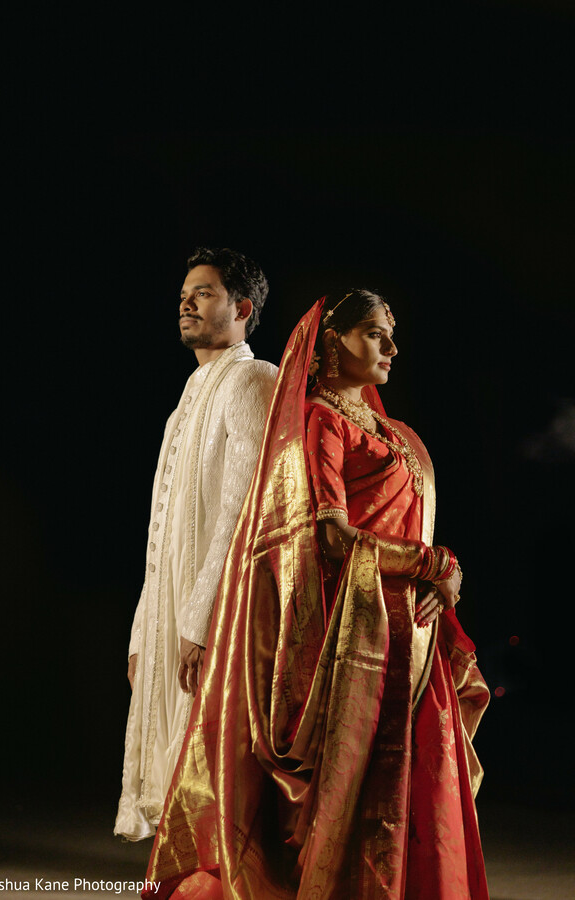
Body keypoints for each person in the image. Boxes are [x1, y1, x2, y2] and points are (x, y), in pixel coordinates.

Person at [143, 290, 490, 898]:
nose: (391, 347)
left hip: (412, 630)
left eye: (392, 334)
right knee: (353, 786)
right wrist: (432, 563)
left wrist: (444, 578)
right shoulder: (321, 421)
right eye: (375, 333)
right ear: (334, 340)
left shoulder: (396, 432)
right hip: (351, 639)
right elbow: (332, 537)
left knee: (413, 784)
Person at [114, 247, 278, 842]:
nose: (186, 303)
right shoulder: (192, 391)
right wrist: (143, 631)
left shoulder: (253, 379)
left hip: (215, 608)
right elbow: (162, 531)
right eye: (185, 294)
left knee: (210, 772)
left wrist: (202, 618)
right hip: (174, 607)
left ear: (242, 308)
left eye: (204, 293)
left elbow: (242, 510)